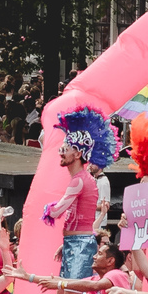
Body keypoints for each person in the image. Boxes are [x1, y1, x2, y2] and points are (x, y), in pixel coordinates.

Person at [42, 108, 117, 283]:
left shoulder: (79, 180)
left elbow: (57, 211)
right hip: (76, 242)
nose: (61, 152)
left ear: (77, 154)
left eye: (65, 149)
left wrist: (46, 208)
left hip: (80, 244)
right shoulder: (83, 178)